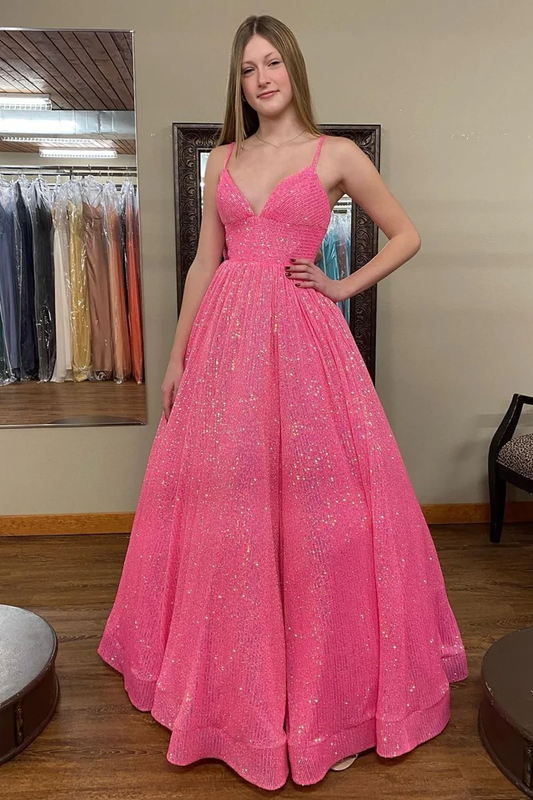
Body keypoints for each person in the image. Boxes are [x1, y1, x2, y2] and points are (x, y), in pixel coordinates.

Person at [98, 13, 468, 792]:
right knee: (227, 512)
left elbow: (404, 234)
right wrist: (176, 355)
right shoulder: (221, 159)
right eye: (246, 69)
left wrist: (339, 285)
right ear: (237, 83)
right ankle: (227, 692)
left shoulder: (336, 155)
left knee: (320, 518)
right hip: (225, 346)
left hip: (304, 345)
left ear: (292, 68)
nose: (259, 78)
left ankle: (330, 703)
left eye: (270, 63)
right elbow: (205, 261)